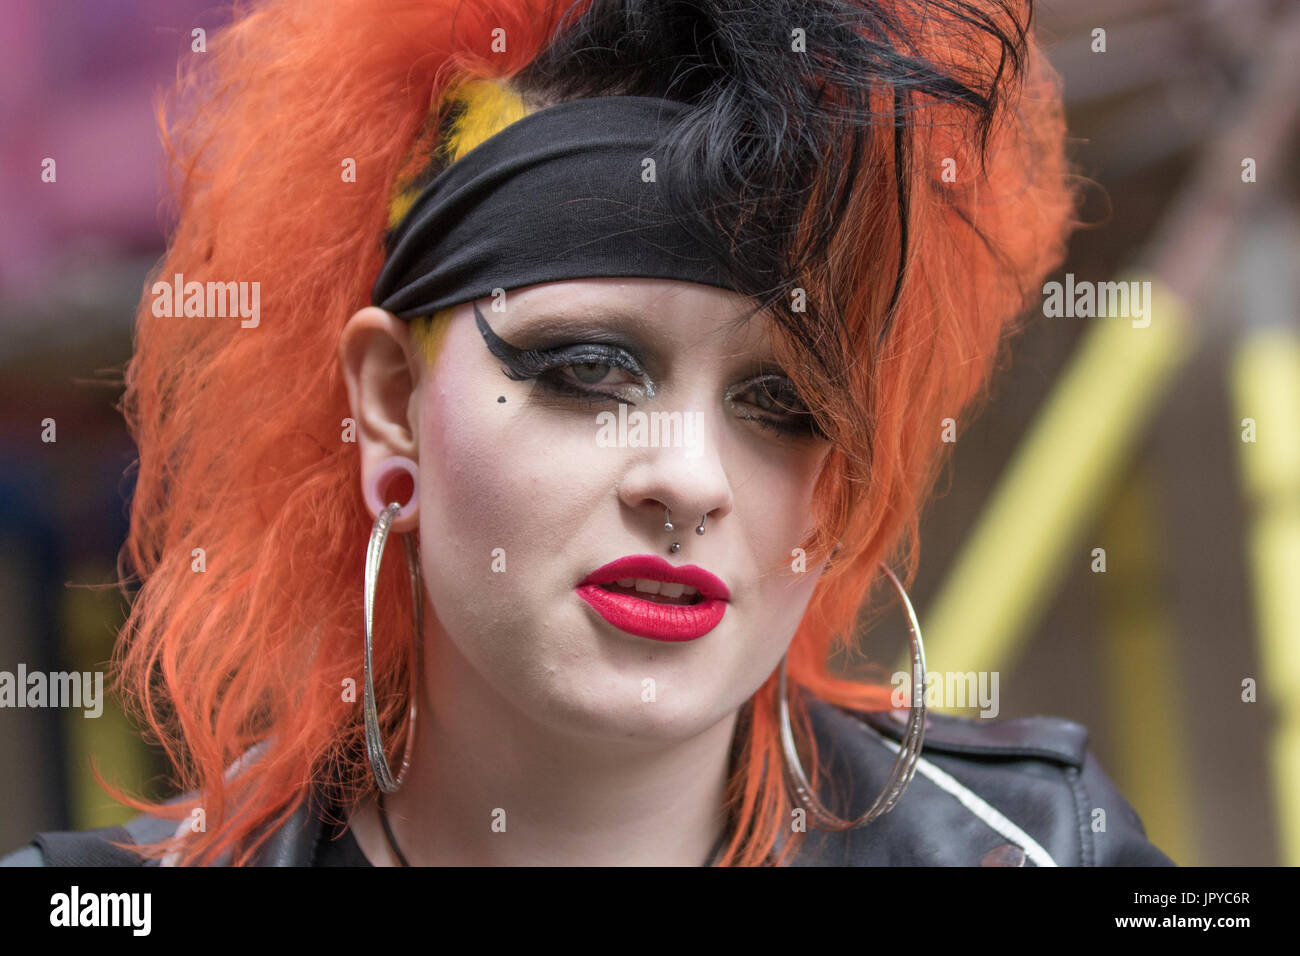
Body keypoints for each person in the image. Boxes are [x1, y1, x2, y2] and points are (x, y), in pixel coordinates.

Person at [3, 0, 1173, 866]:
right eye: (588, 368)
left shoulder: (1040, 849)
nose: (688, 478)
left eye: (785, 405)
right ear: (390, 402)